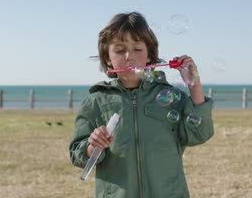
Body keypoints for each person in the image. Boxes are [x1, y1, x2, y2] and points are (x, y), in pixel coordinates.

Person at [69, 12, 214, 198]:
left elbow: (200, 134)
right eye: (120, 50)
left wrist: (194, 84)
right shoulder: (96, 101)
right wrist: (92, 146)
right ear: (107, 58)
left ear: (149, 56)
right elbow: (76, 154)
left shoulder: (171, 97)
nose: (129, 56)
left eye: (137, 49)